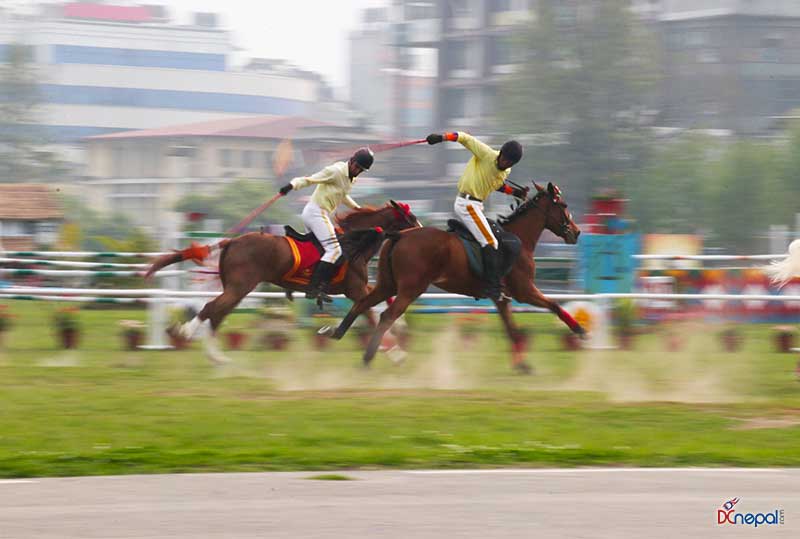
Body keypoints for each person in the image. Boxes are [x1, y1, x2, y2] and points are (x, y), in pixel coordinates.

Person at [425, 131, 526, 300]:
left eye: (509, 162)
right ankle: (492, 288)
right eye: (504, 158)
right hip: (466, 204)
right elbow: (464, 137)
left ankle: (482, 281)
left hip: (477, 206)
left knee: (495, 236)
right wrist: (441, 137)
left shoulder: (506, 171)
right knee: (490, 241)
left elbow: (496, 184)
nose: (505, 162)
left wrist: (515, 192)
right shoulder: (486, 154)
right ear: (500, 153)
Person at [279, 147, 374, 302]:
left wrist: (358, 208)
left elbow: (343, 195)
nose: (357, 171)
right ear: (351, 161)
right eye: (357, 167)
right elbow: (310, 179)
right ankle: (315, 288)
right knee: (335, 251)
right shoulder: (335, 171)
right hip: (316, 213)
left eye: (361, 170)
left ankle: (291, 283)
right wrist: (291, 186)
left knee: (316, 252)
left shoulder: (351, 178)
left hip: (317, 214)